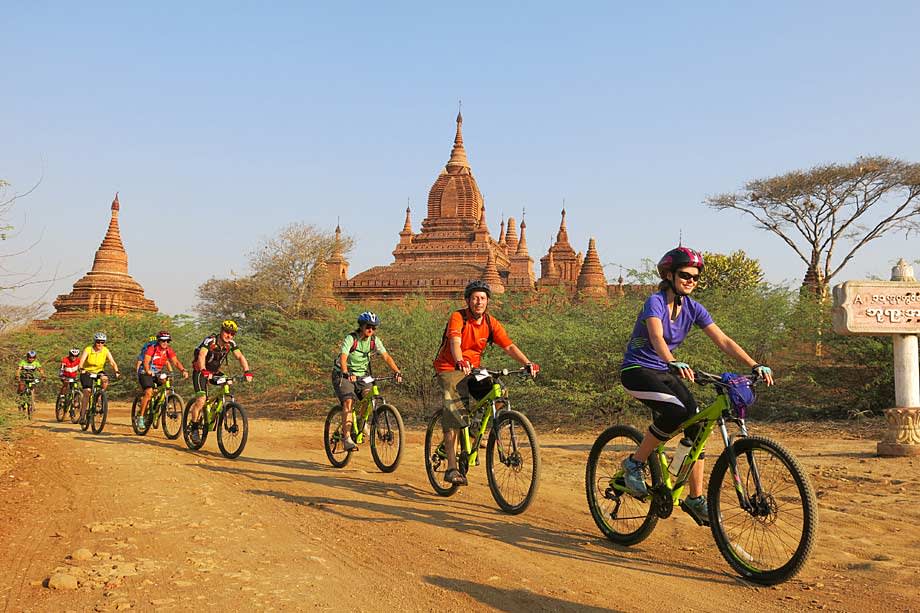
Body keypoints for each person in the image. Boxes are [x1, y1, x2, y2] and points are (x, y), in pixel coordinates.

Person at [619, 247, 774, 524]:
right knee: (677, 413)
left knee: (698, 426)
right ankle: (634, 464)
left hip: (667, 372)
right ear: (669, 275)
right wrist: (672, 360)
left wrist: (754, 364)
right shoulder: (654, 301)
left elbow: (723, 340)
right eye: (685, 275)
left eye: (695, 277)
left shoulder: (693, 308)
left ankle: (694, 497)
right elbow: (656, 335)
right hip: (637, 370)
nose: (691, 280)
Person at [432, 280, 540, 486]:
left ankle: (474, 434)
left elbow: (508, 346)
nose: (478, 302)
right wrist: (459, 360)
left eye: (482, 298)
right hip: (450, 367)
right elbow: (455, 342)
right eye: (474, 298)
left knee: (499, 393)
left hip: (473, 369)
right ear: (467, 301)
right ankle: (452, 468)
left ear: (487, 301)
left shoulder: (491, 323)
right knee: (455, 413)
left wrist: (528, 363)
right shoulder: (458, 317)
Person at [332, 311, 403, 451]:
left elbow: (386, 356)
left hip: (362, 375)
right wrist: (346, 373)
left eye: (374, 327)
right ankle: (346, 438)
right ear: (361, 326)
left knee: (370, 396)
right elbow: (344, 357)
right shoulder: (351, 339)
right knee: (348, 401)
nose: (371, 330)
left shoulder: (374, 340)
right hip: (343, 374)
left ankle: (360, 421)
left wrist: (397, 371)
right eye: (368, 326)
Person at [187, 320, 252, 430]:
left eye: (232, 334)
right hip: (200, 371)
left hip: (214, 372)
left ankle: (218, 407)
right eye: (227, 332)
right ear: (221, 331)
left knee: (227, 382)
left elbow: (240, 356)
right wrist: (203, 370)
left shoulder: (231, 344)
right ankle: (193, 427)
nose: (229, 335)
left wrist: (247, 371)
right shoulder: (211, 340)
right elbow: (202, 355)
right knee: (201, 399)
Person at [135, 330, 189, 430]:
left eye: (168, 341)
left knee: (167, 384)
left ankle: (160, 403)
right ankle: (141, 417)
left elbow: (175, 362)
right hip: (145, 371)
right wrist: (147, 370)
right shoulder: (152, 348)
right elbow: (146, 361)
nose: (165, 343)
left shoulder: (168, 350)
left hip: (158, 372)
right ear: (159, 341)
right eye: (163, 341)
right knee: (149, 392)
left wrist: (183, 370)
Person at [78, 332, 120, 424]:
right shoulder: (88, 349)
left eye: (102, 342)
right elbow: (81, 362)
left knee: (105, 379)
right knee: (87, 392)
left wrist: (116, 371)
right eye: (98, 342)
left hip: (98, 371)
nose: (100, 344)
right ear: (94, 342)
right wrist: (81, 369)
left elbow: (112, 362)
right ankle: (82, 415)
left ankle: (100, 395)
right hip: (87, 371)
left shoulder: (105, 350)